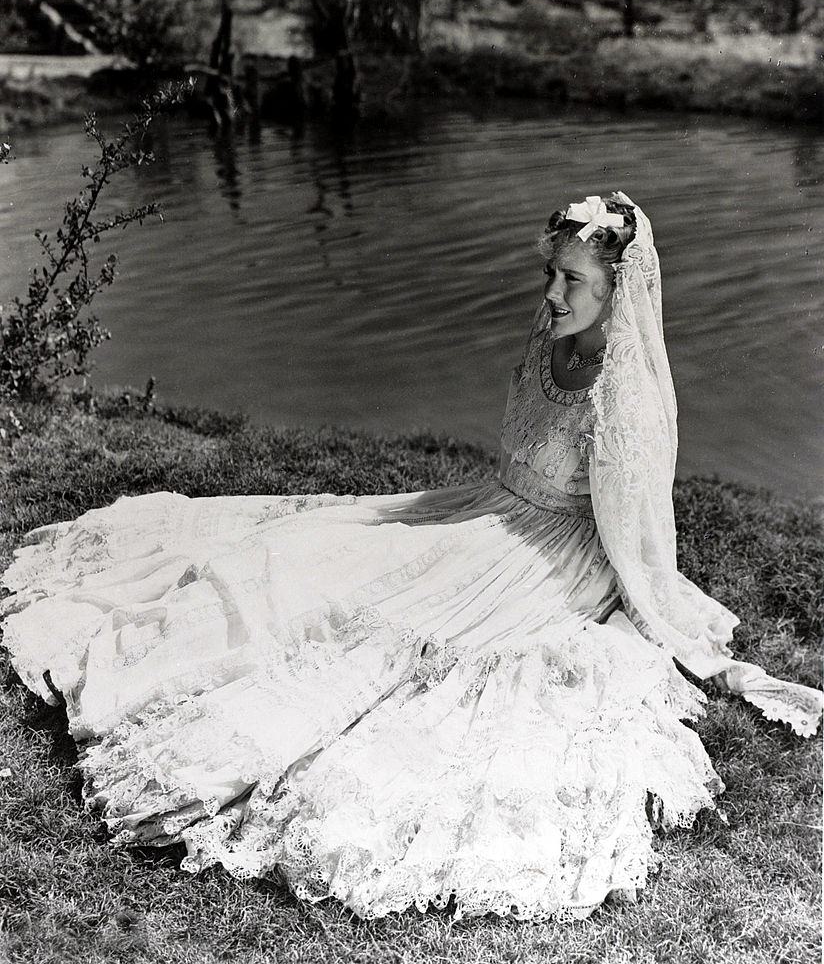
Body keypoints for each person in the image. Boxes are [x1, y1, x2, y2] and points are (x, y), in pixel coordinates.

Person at [1, 192, 820, 922]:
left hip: (553, 552)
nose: (552, 293)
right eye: (554, 274)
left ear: (619, 293)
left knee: (397, 639)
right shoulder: (550, 338)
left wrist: (655, 613)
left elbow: (634, 528)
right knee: (304, 555)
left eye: (574, 282)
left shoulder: (623, 390)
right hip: (490, 509)